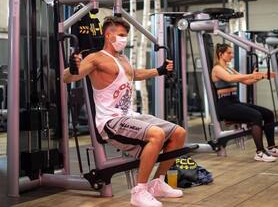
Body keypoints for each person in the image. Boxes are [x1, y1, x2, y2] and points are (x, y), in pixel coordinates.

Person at [63, 16, 186, 207]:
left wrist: (159, 70)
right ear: (108, 35)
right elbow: (67, 78)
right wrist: (71, 67)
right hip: (110, 122)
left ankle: (158, 183)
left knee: (179, 133)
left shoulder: (123, 58)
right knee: (157, 134)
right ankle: (139, 192)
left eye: (126, 35)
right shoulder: (96, 59)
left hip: (129, 115)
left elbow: (134, 74)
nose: (124, 39)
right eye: (121, 35)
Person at [211, 43, 278, 162]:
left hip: (234, 101)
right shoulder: (217, 69)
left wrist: (262, 76)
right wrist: (252, 75)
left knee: (268, 114)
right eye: (229, 53)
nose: (232, 55)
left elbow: (246, 81)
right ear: (221, 54)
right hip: (225, 105)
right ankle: (260, 152)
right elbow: (230, 79)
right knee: (256, 116)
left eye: (232, 53)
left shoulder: (229, 68)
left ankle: (271, 148)